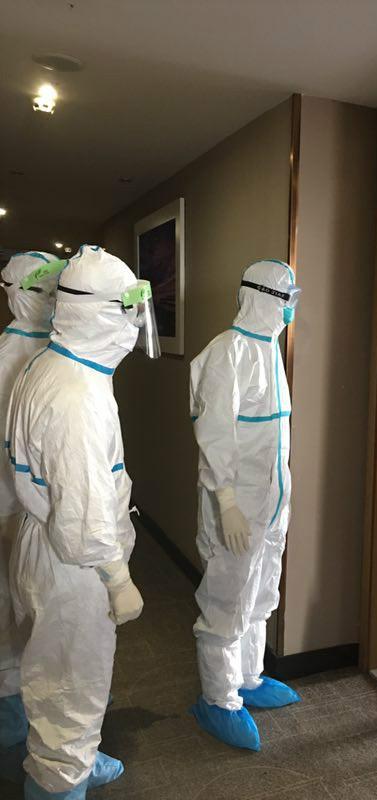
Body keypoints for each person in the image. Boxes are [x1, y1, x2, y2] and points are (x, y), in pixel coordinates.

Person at [6, 244, 159, 799]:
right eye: (128, 310)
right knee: (72, 684)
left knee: (54, 671)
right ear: (102, 314)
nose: (135, 324)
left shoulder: (54, 362)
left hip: (43, 544)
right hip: (73, 564)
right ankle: (59, 781)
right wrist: (117, 578)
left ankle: (73, 757)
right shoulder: (78, 397)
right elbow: (84, 517)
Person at [190, 259, 301, 752]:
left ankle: (249, 677)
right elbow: (215, 435)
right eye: (287, 297)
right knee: (227, 597)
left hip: (271, 504)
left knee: (260, 590)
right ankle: (218, 697)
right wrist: (227, 501)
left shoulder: (270, 350)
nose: (291, 308)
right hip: (235, 505)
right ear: (261, 297)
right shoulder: (227, 352)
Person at [0, 251, 65, 783]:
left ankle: (45, 717)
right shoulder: (9, 356)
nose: (52, 300)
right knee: (17, 612)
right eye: (42, 290)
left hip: (43, 514)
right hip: (14, 509)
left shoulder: (58, 354)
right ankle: (18, 718)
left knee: (44, 618)